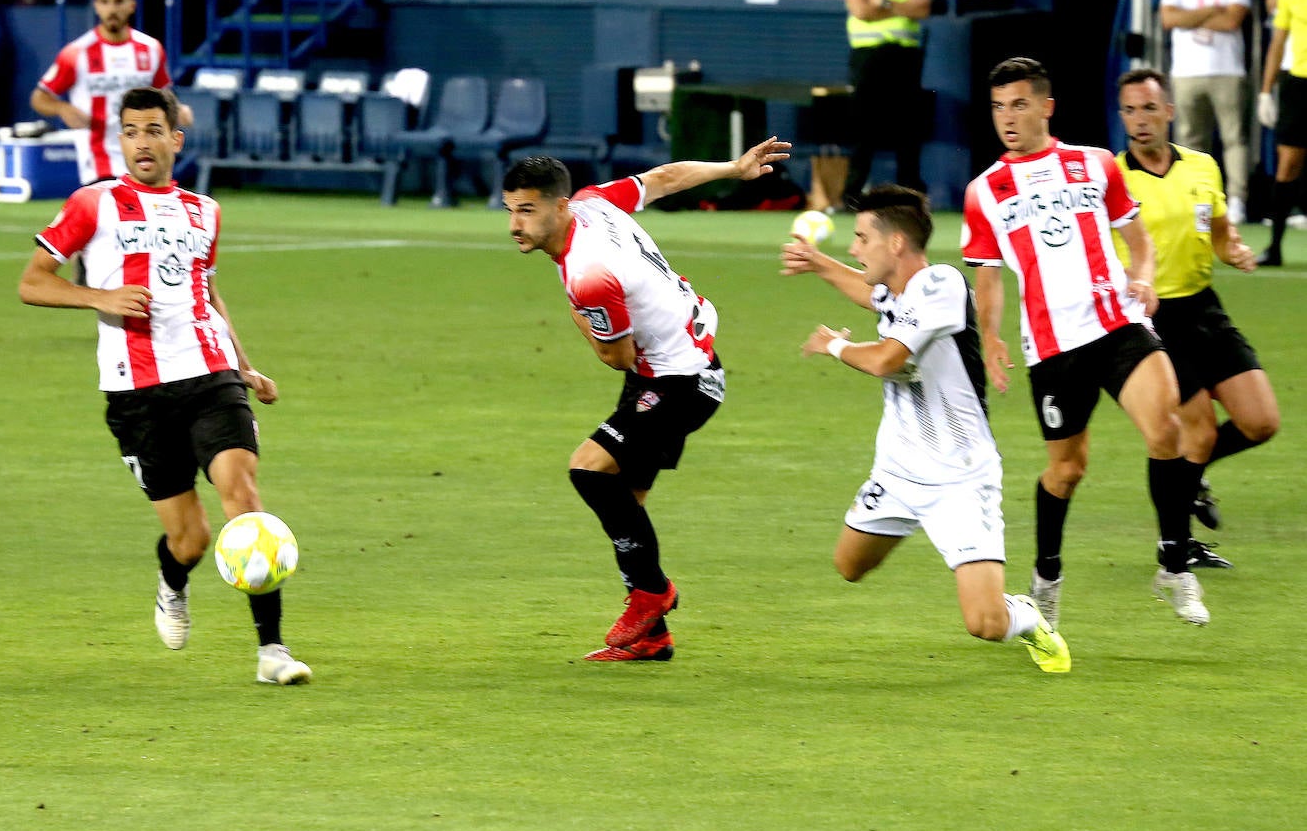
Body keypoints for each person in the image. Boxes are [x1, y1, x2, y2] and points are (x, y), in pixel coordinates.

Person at [18, 86, 311, 686]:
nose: (142, 143)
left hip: (209, 373)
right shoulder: (91, 204)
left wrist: (246, 367)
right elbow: (33, 282)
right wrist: (100, 297)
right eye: (131, 131)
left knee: (243, 497)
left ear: (176, 138)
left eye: (154, 131)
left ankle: (273, 650)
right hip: (136, 393)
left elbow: (207, 294)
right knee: (191, 538)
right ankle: (172, 582)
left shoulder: (205, 210)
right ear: (120, 138)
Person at [501, 137, 791, 661]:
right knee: (626, 505)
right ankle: (653, 636)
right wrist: (731, 167)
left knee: (589, 470)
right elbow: (664, 178)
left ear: (559, 205)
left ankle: (653, 592)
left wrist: (575, 317)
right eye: (509, 210)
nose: (515, 224)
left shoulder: (588, 276)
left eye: (527, 210)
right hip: (678, 363)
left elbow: (615, 355)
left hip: (679, 381)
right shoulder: (594, 201)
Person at [962, 57, 1209, 629]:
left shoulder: (1095, 164)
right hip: (1053, 346)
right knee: (1068, 470)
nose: (1007, 117)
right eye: (998, 107)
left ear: (1046, 107)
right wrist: (993, 336)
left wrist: (1142, 277)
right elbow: (989, 275)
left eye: (1019, 104)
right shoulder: (984, 191)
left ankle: (1174, 563)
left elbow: (1137, 240)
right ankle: (1046, 576)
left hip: (1117, 324)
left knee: (1166, 426)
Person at [781, 185, 1069, 673]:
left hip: (959, 477)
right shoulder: (897, 292)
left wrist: (834, 346)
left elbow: (888, 359)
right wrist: (818, 263)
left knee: (985, 623)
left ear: (895, 244)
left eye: (861, 238)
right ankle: (919, 526)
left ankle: (1026, 615)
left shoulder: (942, 285)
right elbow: (870, 295)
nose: (854, 247)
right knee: (849, 566)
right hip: (896, 471)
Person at [1116, 68, 1280, 555]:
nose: (1139, 120)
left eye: (1149, 108)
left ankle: (1193, 472)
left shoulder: (1202, 167)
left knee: (1261, 421)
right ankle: (1176, 545)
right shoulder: (1112, 178)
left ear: (1169, 111)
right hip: (1152, 320)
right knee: (1196, 430)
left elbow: (1221, 232)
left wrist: (1237, 251)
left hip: (1204, 308)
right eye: (1129, 109)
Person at [30, 0, 193, 187]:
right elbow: (40, 97)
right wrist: (63, 109)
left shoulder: (151, 49)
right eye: (105, 2)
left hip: (145, 156)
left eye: (118, 2)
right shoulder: (77, 53)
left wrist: (177, 109)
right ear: (96, 6)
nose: (112, 9)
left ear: (131, 5)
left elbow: (163, 94)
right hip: (100, 162)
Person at [1159, 0, 1253, 225]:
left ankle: (1236, 201)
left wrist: (1191, 16)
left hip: (1227, 69)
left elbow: (1232, 21)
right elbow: (1168, 19)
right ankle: (1195, 199)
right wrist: (1213, 9)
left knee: (1234, 138)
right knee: (1189, 141)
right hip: (1186, 71)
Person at [839, 0, 931, 210]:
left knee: (908, 128)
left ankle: (909, 197)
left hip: (904, 56)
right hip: (868, 57)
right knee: (863, 127)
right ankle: (852, 196)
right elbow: (861, 10)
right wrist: (901, 5)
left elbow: (922, 7)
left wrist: (885, 3)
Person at [1257, 0, 1307, 266]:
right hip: (1298, 84)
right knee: (1288, 165)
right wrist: (1265, 91)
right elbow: (1278, 43)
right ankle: (1274, 248)